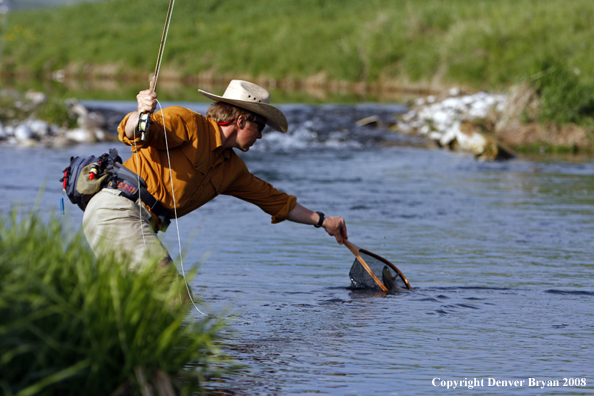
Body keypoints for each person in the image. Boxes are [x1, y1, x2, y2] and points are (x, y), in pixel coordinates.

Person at [82, 80, 347, 273]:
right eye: (260, 126)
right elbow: (134, 132)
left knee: (132, 307)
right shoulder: (188, 123)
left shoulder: (231, 169)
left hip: (132, 221)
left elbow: (276, 201)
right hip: (118, 210)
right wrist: (141, 113)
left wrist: (323, 220)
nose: (261, 135)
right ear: (241, 121)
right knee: (171, 295)